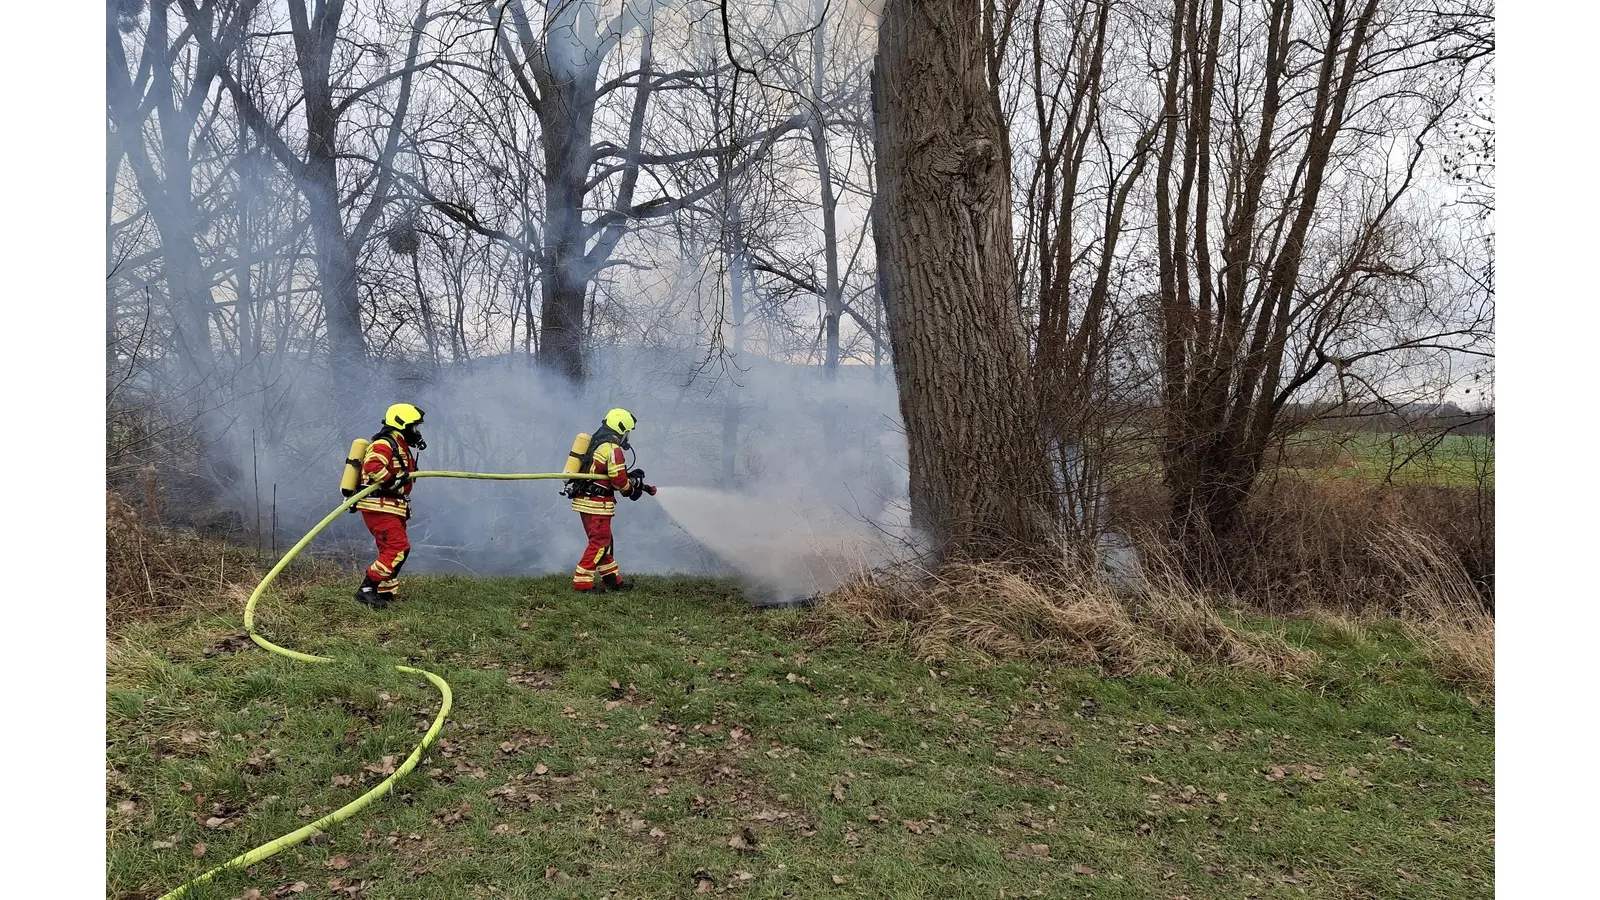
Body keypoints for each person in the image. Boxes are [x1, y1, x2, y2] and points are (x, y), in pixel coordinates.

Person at [568, 407, 655, 592]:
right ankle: (582, 583)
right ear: (621, 429)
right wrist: (630, 490)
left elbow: (603, 473)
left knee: (603, 541)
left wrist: (629, 477)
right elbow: (617, 479)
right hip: (597, 504)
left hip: (587, 501)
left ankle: (612, 579)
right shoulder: (612, 449)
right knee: (599, 542)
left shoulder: (597, 444)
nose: (627, 437)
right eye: (627, 432)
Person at [352, 403, 426, 609]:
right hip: (379, 506)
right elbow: (372, 466)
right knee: (397, 548)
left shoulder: (398, 444)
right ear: (402, 424)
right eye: (414, 427)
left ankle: (384, 592)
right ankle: (366, 589)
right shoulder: (384, 444)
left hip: (391, 507)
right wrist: (392, 481)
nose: (416, 432)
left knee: (389, 548)